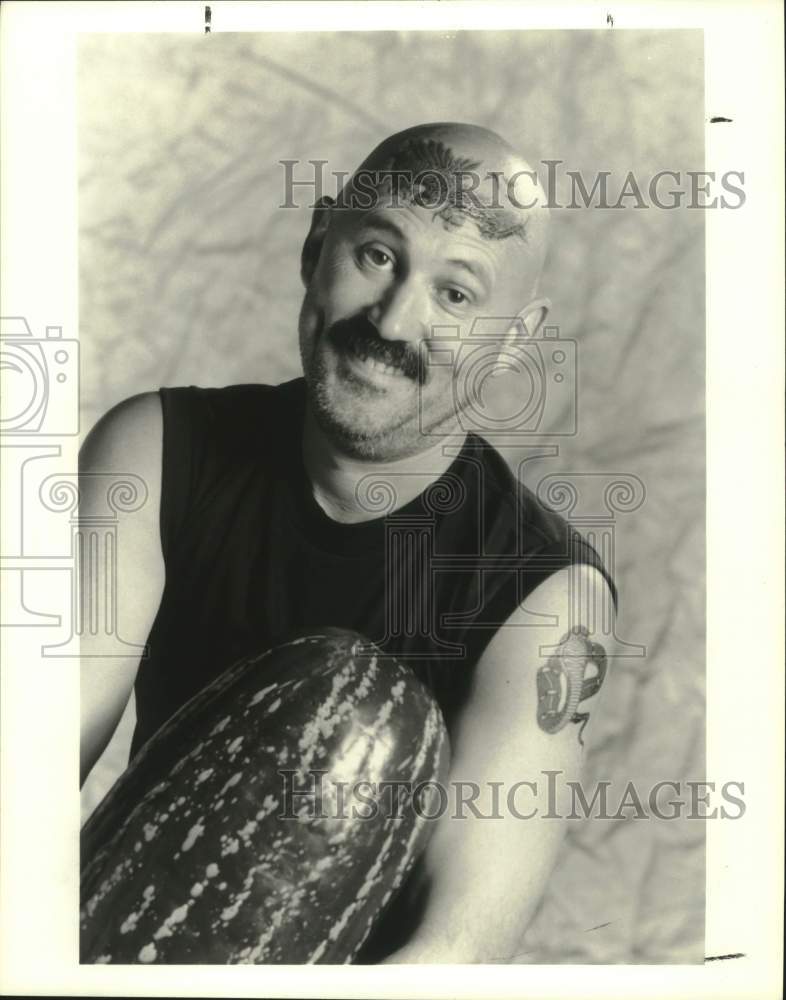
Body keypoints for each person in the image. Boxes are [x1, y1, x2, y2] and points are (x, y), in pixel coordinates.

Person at [80, 122, 618, 963]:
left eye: (456, 295)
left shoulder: (550, 598)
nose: (394, 321)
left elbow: (457, 948)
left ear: (514, 339)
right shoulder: (152, 451)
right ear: (317, 242)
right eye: (377, 255)